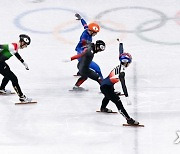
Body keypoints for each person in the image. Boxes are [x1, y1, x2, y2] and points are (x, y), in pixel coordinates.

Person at [99, 43, 139, 125]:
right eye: (129, 62)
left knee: (108, 95)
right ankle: (128, 119)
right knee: (118, 102)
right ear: (126, 62)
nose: (130, 64)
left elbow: (121, 53)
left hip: (107, 85)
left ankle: (103, 108)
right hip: (105, 87)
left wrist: (121, 44)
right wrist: (127, 96)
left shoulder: (121, 64)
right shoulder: (121, 73)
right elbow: (123, 85)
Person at [0, 34, 32, 102]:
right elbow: (1, 46)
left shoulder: (16, 47)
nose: (26, 46)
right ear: (22, 42)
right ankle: (22, 97)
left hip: (1, 63)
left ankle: (1, 89)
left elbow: (16, 53)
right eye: (26, 44)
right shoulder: (12, 46)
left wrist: (23, 62)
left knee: (8, 72)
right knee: (14, 79)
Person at [74, 13, 103, 80]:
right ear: (92, 32)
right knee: (91, 64)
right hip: (81, 51)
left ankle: (80, 72)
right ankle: (102, 80)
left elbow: (84, 24)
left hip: (81, 50)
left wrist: (81, 19)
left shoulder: (88, 29)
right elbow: (84, 44)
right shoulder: (84, 37)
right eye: (95, 33)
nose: (96, 34)